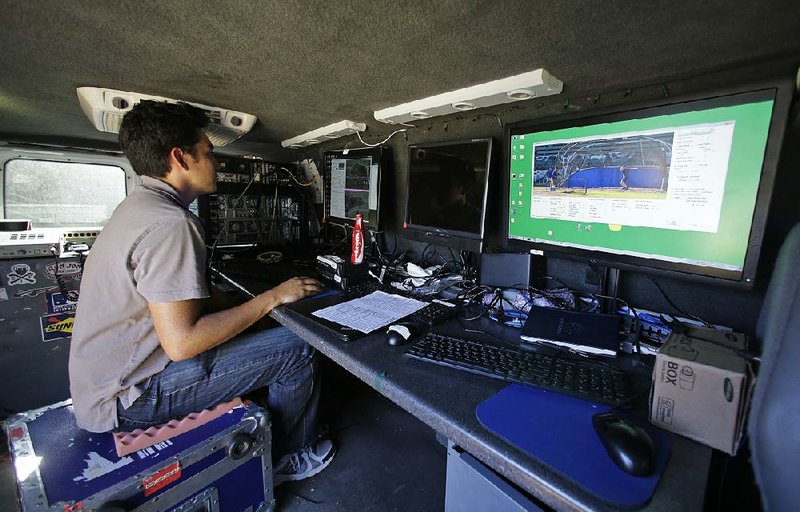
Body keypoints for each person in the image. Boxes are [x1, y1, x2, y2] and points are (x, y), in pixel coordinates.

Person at [68, 100, 334, 485]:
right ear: (180, 158)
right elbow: (182, 343)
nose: (217, 163)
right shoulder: (171, 224)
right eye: (208, 153)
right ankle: (288, 458)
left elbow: (187, 300)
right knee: (301, 349)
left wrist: (250, 311)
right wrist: (271, 298)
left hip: (105, 388)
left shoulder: (137, 208)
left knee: (258, 328)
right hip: (130, 399)